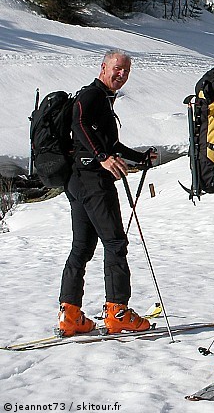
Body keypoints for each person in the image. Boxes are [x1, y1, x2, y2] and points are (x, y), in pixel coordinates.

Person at [58, 49, 157, 337]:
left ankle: (70, 314)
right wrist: (102, 156)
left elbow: (110, 144)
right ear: (103, 67)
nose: (122, 75)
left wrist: (138, 157)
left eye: (126, 71)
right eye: (117, 69)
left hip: (79, 181)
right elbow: (79, 123)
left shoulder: (101, 99)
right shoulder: (92, 95)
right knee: (115, 243)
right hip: (92, 182)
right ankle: (117, 312)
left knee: (82, 247)